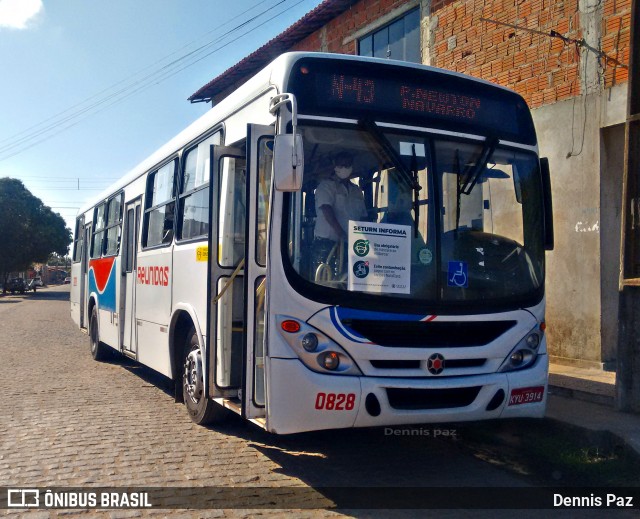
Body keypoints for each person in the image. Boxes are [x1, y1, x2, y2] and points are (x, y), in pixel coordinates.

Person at [313, 152, 367, 280]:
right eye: (341, 164)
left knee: (347, 281)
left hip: (351, 245)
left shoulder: (357, 190)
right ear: (335, 166)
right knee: (326, 282)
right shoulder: (326, 186)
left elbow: (363, 216)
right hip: (327, 245)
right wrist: (341, 234)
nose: (344, 168)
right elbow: (327, 209)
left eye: (347, 164)